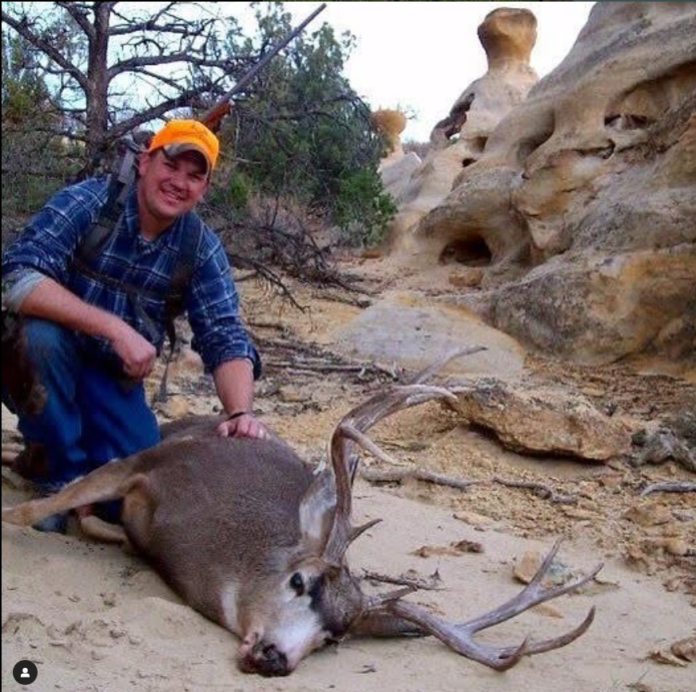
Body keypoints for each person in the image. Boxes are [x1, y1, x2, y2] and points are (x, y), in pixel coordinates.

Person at [2, 119, 265, 530]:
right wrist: (115, 329)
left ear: (204, 189)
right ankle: (58, 476)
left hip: (110, 380)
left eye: (195, 176)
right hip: (45, 359)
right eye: (171, 165)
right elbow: (16, 280)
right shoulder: (88, 203)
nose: (180, 182)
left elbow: (225, 335)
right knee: (40, 340)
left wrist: (240, 412)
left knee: (134, 493)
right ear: (144, 161)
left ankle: (72, 467)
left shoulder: (199, 248)